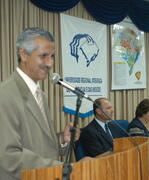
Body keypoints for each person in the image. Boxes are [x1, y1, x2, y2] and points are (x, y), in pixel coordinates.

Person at [0, 27, 89, 180]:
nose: (50, 63)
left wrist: (62, 139)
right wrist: (64, 169)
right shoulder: (5, 94)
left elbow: (38, 143)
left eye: (52, 56)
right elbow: (9, 157)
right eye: (43, 56)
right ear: (23, 54)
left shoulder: (41, 95)